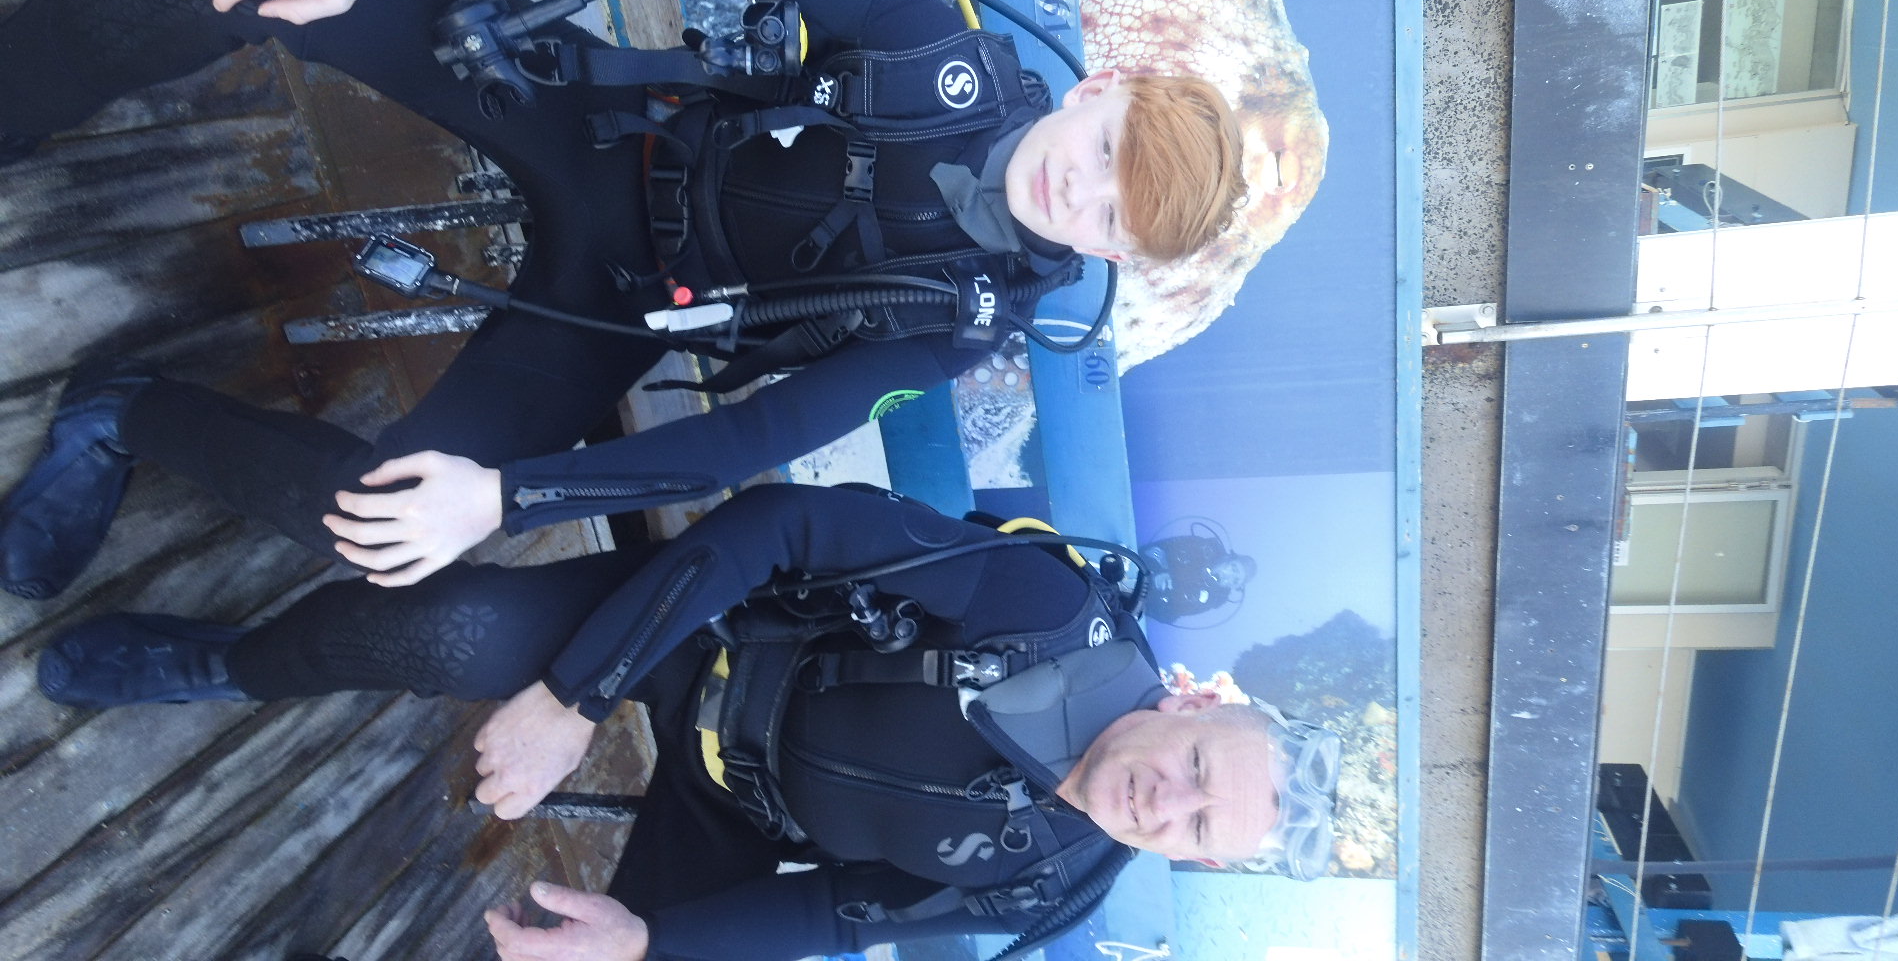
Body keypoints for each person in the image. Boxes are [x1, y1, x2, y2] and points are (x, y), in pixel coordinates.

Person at [0, 0, 1246, 600]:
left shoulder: (969, 318)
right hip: (598, 124)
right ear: (1096, 91)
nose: (1072, 191)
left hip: (621, 302)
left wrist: (507, 498)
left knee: (373, 529)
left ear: (1110, 258)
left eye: (1108, 219)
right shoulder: (928, 42)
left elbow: (753, 439)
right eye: (1103, 152)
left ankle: (120, 413)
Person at [36, 482, 1341, 960]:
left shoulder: (1049, 887)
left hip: (735, 819)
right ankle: (216, 664)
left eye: (1195, 831)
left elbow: (839, 917)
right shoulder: (1042, 611)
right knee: (434, 634)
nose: (1166, 805)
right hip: (695, 649)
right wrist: (578, 697)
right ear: (1194, 701)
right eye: (1195, 768)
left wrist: (650, 938)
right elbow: (787, 523)